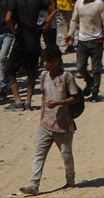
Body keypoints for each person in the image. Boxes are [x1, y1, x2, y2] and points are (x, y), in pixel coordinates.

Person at [18, 47, 80, 195]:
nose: (46, 64)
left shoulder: (67, 77)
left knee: (66, 155)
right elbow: (44, 96)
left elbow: (75, 98)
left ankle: (70, 181)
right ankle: (34, 184)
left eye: (49, 61)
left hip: (63, 125)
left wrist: (59, 103)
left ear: (57, 61)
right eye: (44, 61)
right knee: (39, 154)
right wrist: (42, 117)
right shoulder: (44, 75)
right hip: (46, 124)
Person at [5, 0, 49, 112]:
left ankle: (18, 101)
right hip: (34, 39)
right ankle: (28, 101)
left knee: (10, 70)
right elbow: (53, 9)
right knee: (31, 71)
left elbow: (8, 18)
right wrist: (45, 24)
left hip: (21, 40)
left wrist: (13, 31)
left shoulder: (14, 0)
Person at [65, 0, 104, 101]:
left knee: (96, 69)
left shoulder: (99, 4)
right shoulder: (78, 3)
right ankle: (89, 81)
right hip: (82, 41)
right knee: (80, 67)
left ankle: (95, 91)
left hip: (96, 41)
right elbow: (74, 20)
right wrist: (70, 34)